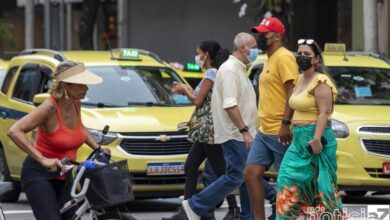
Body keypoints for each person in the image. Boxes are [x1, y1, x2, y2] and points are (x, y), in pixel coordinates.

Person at [7, 61, 109, 220]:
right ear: (66, 85)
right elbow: (14, 131)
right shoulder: (48, 108)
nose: (86, 88)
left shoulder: (75, 103)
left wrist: (97, 148)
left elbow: (79, 126)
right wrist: (43, 159)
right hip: (39, 174)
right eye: (82, 85)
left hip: (65, 174)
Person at [180, 32, 258, 220]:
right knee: (233, 175)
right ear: (243, 48)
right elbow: (228, 103)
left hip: (228, 132)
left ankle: (242, 214)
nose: (257, 50)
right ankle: (194, 205)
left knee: (239, 175)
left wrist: (248, 132)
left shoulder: (230, 70)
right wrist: (244, 131)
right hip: (229, 132)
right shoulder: (230, 70)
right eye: (254, 46)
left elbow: (204, 101)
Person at [163, 40, 234, 220]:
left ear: (206, 55)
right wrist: (187, 90)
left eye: (198, 53)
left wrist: (184, 91)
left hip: (209, 131)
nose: (197, 57)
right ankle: (187, 211)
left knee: (222, 173)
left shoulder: (211, 72)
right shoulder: (213, 73)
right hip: (205, 132)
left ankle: (233, 209)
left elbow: (198, 101)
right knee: (191, 167)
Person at [276, 39, 343, 219]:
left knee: (322, 188)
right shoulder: (299, 80)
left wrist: (316, 138)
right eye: (299, 53)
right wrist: (286, 124)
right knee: (286, 180)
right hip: (298, 141)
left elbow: (324, 112)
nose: (302, 57)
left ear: (316, 60)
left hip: (316, 140)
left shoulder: (321, 81)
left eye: (307, 54)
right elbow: (291, 105)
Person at [244, 17, 298, 220]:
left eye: (263, 33)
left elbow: (292, 92)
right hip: (264, 131)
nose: (259, 37)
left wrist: (286, 123)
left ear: (277, 36)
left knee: (288, 182)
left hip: (279, 130)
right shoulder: (269, 58)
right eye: (259, 33)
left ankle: (285, 216)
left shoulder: (284, 57)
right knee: (250, 174)